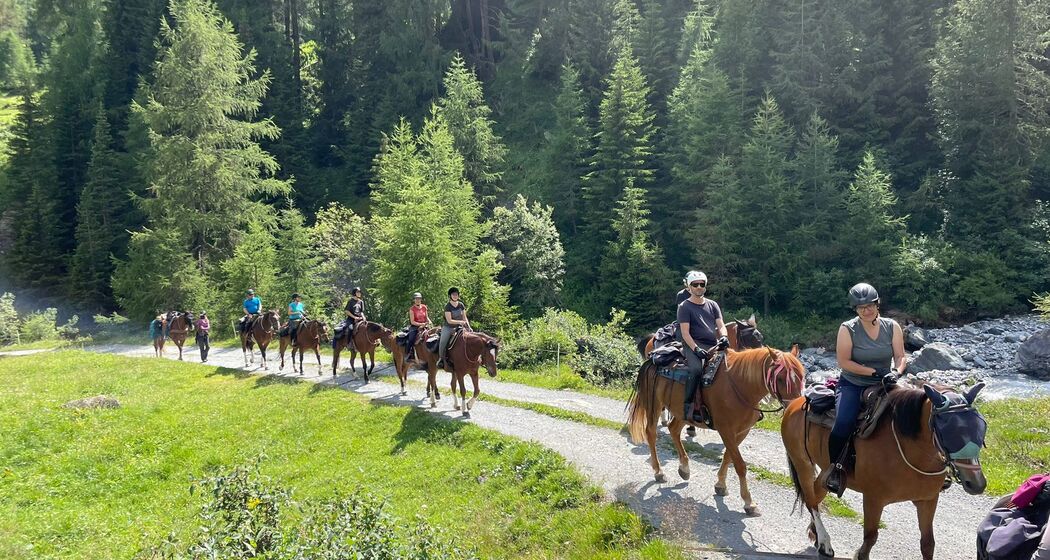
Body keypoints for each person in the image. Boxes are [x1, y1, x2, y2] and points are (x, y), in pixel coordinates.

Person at [825, 282, 906, 495]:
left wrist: (896, 372)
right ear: (855, 309)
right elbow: (844, 361)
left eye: (870, 305)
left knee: (913, 411)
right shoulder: (848, 328)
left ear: (877, 304)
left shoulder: (892, 326)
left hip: (886, 382)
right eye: (861, 308)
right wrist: (874, 372)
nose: (866, 310)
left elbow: (900, 356)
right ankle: (835, 469)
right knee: (843, 422)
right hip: (853, 383)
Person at [677, 270, 729, 424]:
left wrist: (724, 337)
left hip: (712, 344)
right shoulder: (684, 306)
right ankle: (688, 406)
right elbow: (685, 333)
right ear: (689, 287)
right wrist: (695, 349)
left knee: (729, 368)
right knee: (696, 370)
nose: (699, 287)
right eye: (695, 284)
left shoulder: (713, 305)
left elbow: (721, 326)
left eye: (702, 284)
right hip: (693, 344)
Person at [438, 287, 471, 369]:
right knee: (443, 341)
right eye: (453, 294)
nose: (455, 296)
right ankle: (441, 359)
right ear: (450, 296)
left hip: (460, 326)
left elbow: (464, 317)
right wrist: (460, 322)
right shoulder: (447, 306)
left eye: (456, 294)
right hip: (448, 327)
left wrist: (469, 326)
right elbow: (449, 320)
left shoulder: (461, 305)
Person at [406, 292, 429, 360]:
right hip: (415, 327)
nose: (418, 300)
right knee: (411, 339)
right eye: (416, 299)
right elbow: (412, 322)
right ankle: (409, 354)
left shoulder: (424, 307)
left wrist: (429, 322)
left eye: (419, 298)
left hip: (425, 326)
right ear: (414, 300)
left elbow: (426, 317)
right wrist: (421, 324)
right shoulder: (412, 309)